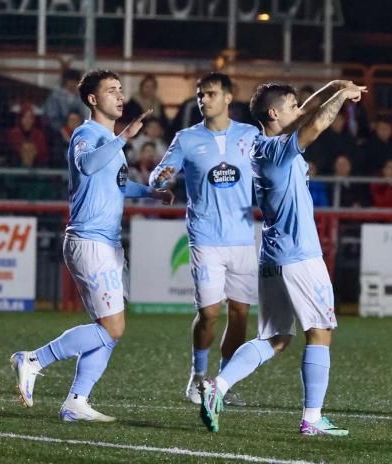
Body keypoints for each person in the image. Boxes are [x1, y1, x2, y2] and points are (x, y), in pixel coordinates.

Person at [198, 79, 365, 436]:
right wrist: (343, 97)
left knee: (275, 339)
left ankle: (218, 386)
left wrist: (335, 85)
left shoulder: (263, 146)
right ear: (274, 113)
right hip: (299, 256)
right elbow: (317, 123)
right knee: (320, 332)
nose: (299, 109)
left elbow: (307, 113)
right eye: (292, 105)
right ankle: (312, 418)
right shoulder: (276, 150)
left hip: (274, 255)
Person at [9, 69, 173, 423]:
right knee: (113, 327)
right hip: (89, 241)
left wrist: (149, 193)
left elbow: (116, 183)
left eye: (120, 90)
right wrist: (124, 138)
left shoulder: (111, 140)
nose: (119, 96)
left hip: (107, 244)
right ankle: (34, 359)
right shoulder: (86, 134)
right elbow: (87, 164)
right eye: (111, 90)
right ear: (93, 99)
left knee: (107, 330)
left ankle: (76, 402)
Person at [149, 72, 259, 407]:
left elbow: (270, 168)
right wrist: (161, 177)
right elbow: (159, 175)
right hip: (206, 236)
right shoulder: (185, 138)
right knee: (210, 312)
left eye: (210, 94)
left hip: (243, 237)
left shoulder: (251, 134)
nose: (203, 100)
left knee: (240, 313)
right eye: (200, 95)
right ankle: (197, 377)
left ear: (228, 97)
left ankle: (223, 382)